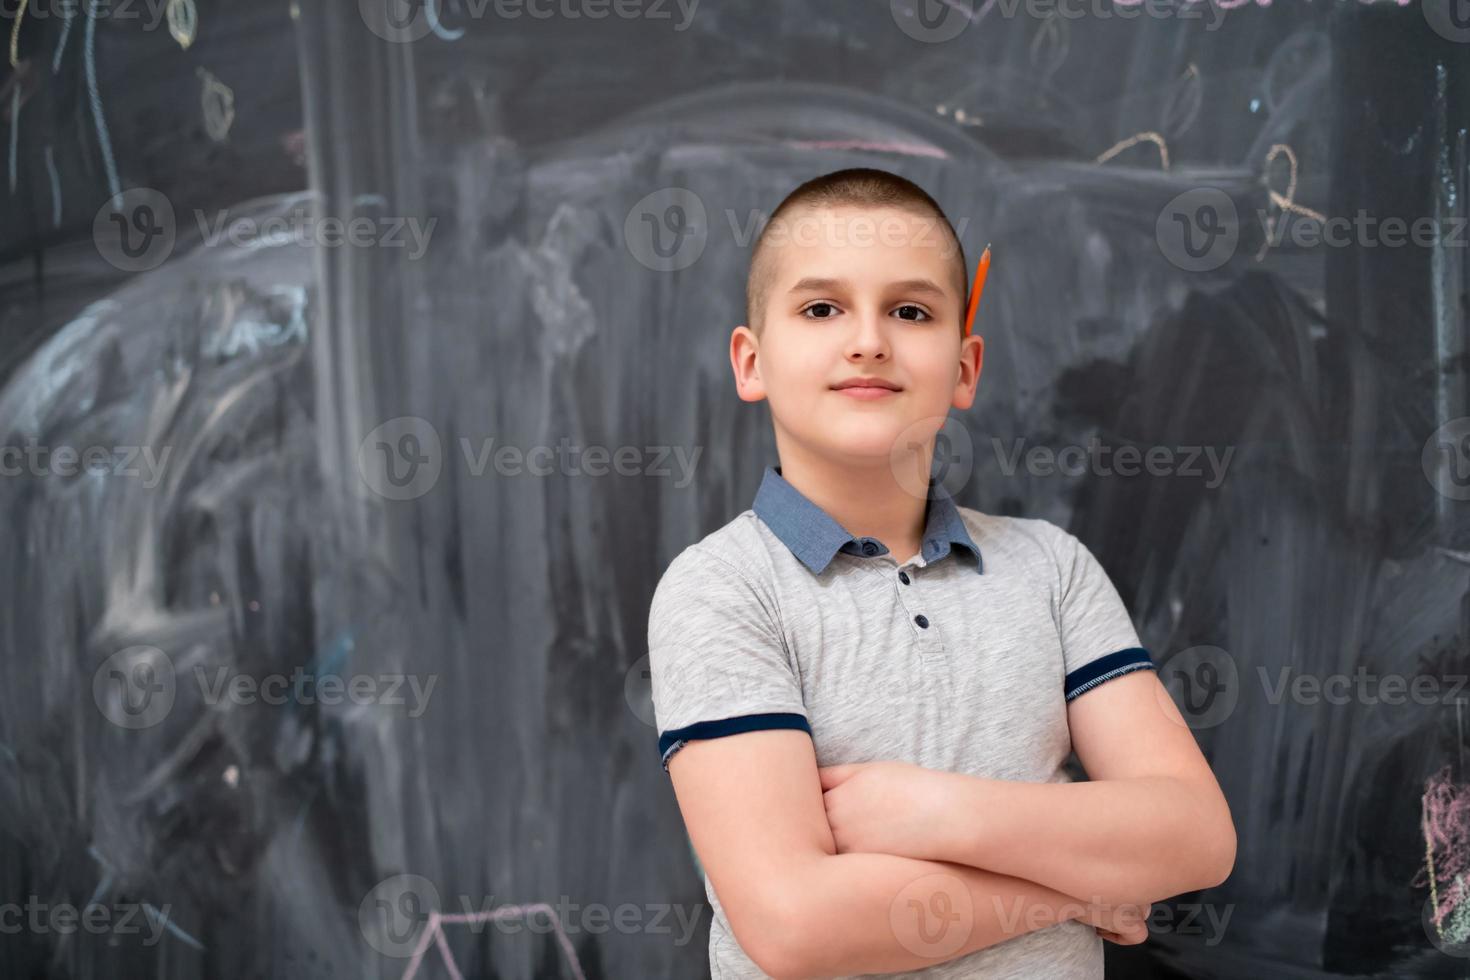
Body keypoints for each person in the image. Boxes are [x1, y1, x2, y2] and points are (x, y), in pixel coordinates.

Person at [645, 167, 1236, 979]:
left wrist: (935, 812)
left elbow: (1195, 835)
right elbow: (795, 925)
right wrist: (1069, 890)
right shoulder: (722, 589)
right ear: (751, 363)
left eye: (911, 311)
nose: (868, 340)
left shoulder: (1052, 569)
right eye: (822, 308)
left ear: (964, 367)